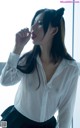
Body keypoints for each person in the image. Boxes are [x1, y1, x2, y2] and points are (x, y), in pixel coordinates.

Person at [0, 7, 79, 128]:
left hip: (47, 125)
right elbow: (5, 81)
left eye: (40, 23)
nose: (33, 28)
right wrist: (18, 47)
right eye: (33, 23)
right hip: (17, 122)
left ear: (54, 31)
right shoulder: (28, 60)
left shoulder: (70, 69)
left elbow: (66, 110)